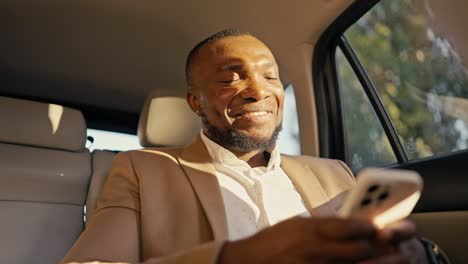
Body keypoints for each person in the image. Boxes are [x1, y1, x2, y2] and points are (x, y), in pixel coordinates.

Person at [63, 29, 432, 264]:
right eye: (230, 78)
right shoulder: (142, 169)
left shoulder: (333, 172)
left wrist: (407, 255)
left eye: (270, 76)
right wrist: (235, 256)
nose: (259, 90)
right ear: (196, 103)